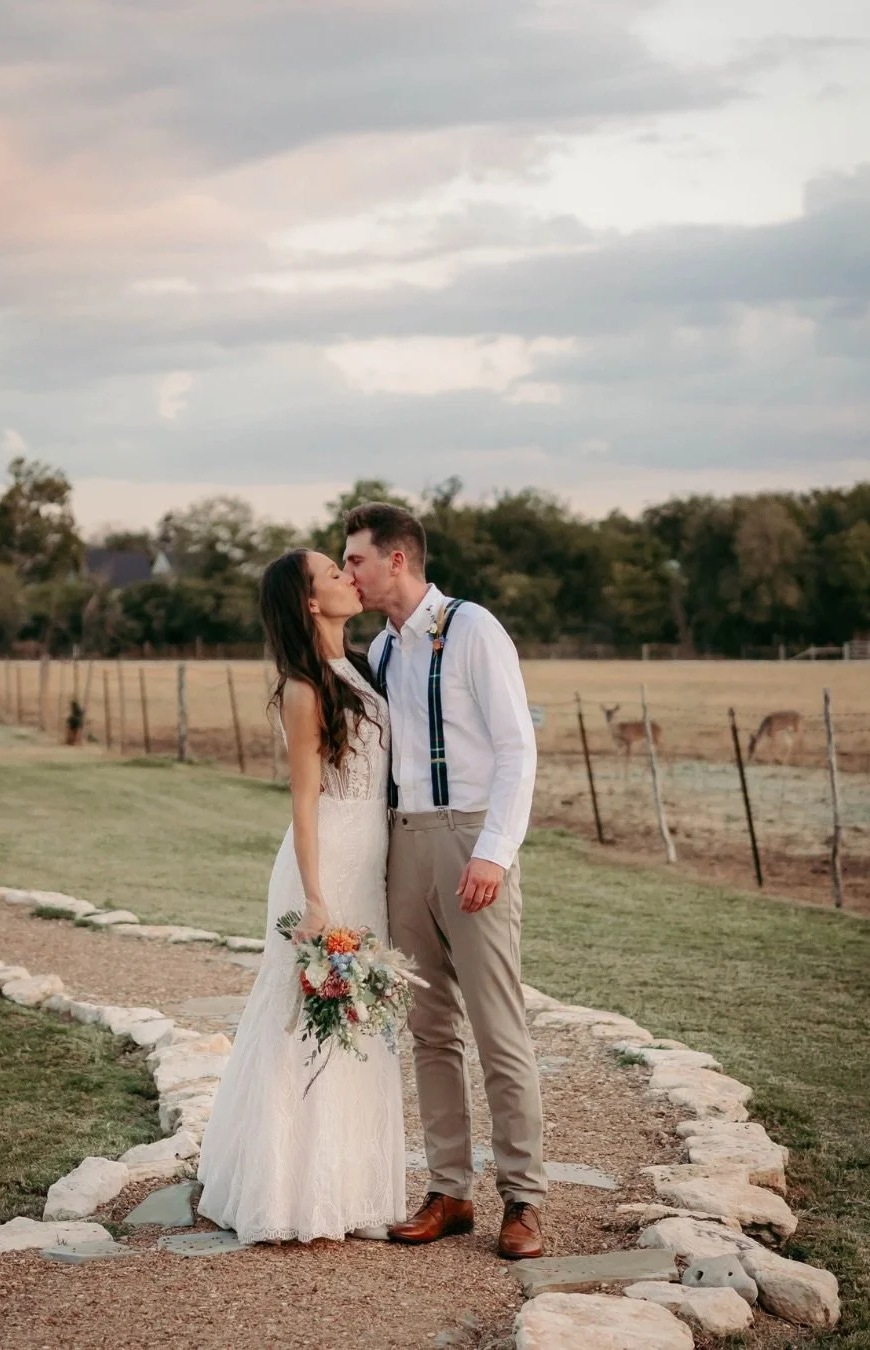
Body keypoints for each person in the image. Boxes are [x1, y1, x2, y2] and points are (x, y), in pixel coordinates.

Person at [342, 502, 546, 1261]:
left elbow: (517, 748)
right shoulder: (383, 649)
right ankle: (449, 1190)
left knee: (498, 1026)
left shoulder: (473, 628)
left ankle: (523, 1199)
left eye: (356, 559)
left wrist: (494, 851)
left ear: (396, 560)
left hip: (470, 838)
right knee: (429, 1028)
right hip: (405, 842)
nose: (349, 574)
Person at [196, 549, 406, 1245]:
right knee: (305, 1019)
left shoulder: (362, 666)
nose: (349, 577)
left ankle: (352, 1188)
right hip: (325, 864)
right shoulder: (302, 688)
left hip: (369, 863)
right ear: (311, 602)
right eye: (333, 574)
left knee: (361, 1018)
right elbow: (305, 800)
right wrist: (315, 899)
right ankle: (287, 1190)